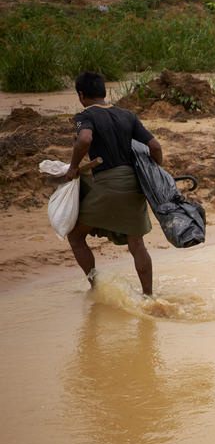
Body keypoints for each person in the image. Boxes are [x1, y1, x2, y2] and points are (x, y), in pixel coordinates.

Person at [65, 71, 163, 295]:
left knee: (76, 236)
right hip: (134, 185)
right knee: (136, 243)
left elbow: (85, 139)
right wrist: (158, 175)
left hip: (108, 184)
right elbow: (155, 147)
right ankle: (148, 296)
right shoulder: (127, 115)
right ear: (104, 92)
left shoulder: (84, 116)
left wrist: (72, 167)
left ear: (81, 95)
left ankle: (96, 287)